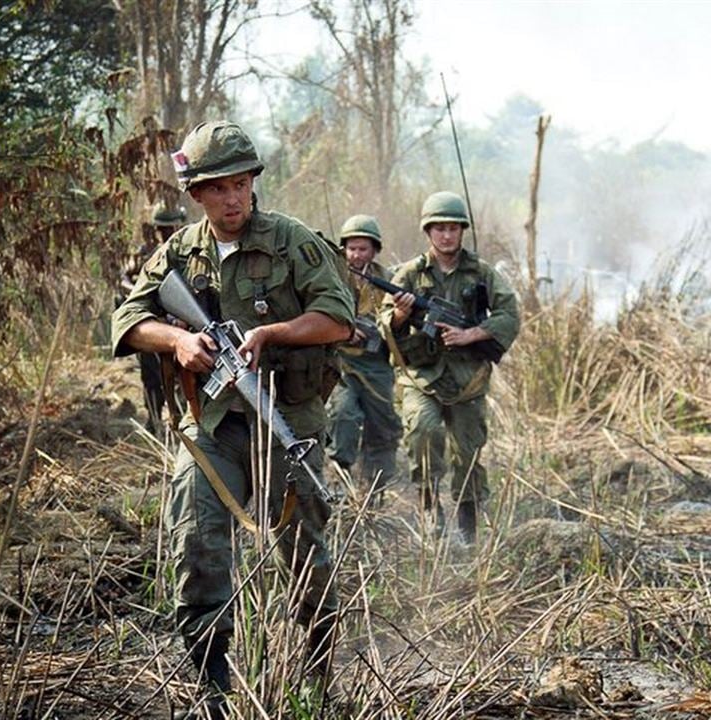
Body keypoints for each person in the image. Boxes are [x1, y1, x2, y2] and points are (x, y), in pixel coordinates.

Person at [111, 121, 353, 715]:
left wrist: (271, 333)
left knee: (308, 558)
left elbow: (340, 318)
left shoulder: (292, 241)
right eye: (219, 188)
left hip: (286, 422)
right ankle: (214, 687)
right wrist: (177, 342)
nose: (233, 199)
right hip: (211, 426)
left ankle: (319, 676)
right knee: (197, 547)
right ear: (197, 194)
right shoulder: (180, 253)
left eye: (241, 185)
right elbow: (126, 321)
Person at [379, 191, 520, 544]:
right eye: (439, 228)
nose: (446, 235)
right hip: (421, 377)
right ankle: (429, 508)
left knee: (468, 452)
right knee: (423, 431)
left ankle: (468, 524)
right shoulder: (409, 274)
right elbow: (384, 326)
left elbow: (509, 314)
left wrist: (471, 334)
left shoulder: (482, 272)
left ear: (462, 231)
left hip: (467, 380)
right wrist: (400, 314)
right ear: (428, 232)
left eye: (452, 228)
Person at [327, 214, 403, 500]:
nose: (357, 255)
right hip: (341, 362)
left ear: (374, 250)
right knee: (344, 415)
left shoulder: (389, 281)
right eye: (352, 248)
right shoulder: (332, 279)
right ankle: (338, 484)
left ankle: (375, 491)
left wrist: (398, 315)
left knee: (383, 426)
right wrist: (344, 331)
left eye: (363, 249)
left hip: (377, 366)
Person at [119, 203, 188, 433]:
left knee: (185, 372)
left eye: (171, 228)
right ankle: (154, 417)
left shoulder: (190, 249)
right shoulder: (145, 253)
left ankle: (183, 417)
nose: (167, 234)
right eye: (163, 229)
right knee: (150, 374)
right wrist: (138, 292)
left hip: (182, 322)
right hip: (152, 324)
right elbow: (124, 278)